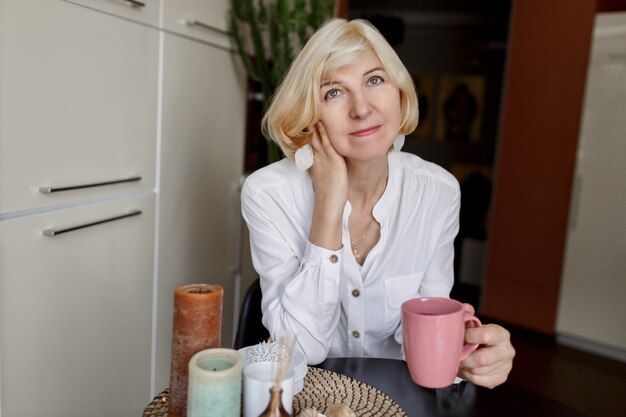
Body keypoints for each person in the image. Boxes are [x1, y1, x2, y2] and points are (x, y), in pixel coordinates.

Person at [241, 18, 514, 389]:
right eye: (333, 92)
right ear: (309, 114)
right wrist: (328, 204)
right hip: (308, 396)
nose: (361, 108)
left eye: (374, 80)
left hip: (400, 397)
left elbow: (426, 325)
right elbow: (298, 349)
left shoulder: (438, 192)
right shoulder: (268, 194)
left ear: (400, 94)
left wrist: (468, 348)